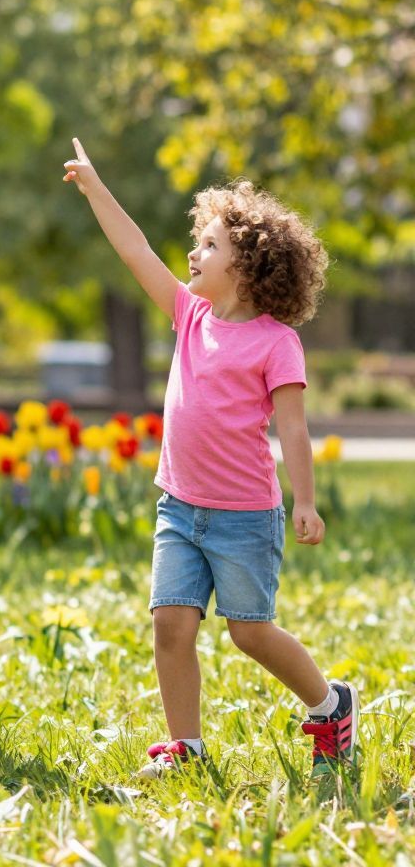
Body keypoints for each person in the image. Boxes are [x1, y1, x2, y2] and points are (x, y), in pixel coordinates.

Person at [64, 139, 353, 777]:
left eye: (210, 245)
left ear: (248, 267)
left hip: (245, 516)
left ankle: (330, 705)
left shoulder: (278, 345)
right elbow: (134, 249)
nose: (194, 253)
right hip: (179, 506)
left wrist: (304, 500)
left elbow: (295, 430)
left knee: (248, 632)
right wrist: (94, 187)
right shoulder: (189, 315)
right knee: (170, 624)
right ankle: (187, 749)